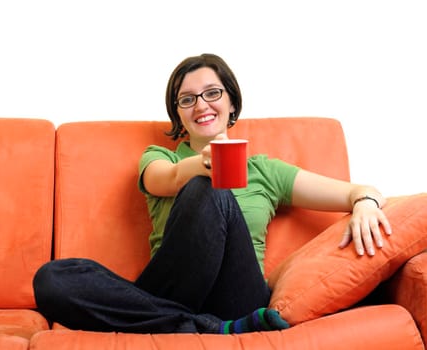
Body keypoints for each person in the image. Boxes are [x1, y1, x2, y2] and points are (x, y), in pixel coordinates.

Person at [33, 53, 392, 335]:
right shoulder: (160, 158)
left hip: (238, 297)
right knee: (52, 279)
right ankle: (196, 327)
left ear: (231, 103)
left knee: (215, 193)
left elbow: (359, 191)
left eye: (212, 93)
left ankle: (170, 322)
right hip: (167, 290)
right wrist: (203, 165)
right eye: (187, 99)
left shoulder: (266, 170)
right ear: (178, 113)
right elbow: (169, 179)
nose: (201, 105)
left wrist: (364, 203)